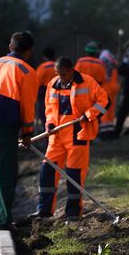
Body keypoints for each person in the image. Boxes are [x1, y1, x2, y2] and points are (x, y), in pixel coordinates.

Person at [29, 57, 109, 220]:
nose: (61, 77)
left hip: (78, 134)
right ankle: (44, 210)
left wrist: (89, 115)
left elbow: (104, 101)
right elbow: (49, 108)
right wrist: (50, 123)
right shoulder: (53, 84)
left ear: (72, 70)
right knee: (47, 171)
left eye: (64, 74)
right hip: (56, 136)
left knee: (75, 174)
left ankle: (72, 212)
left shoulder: (87, 82)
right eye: (58, 73)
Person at [0, 32, 38, 230]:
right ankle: (2, 220)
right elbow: (28, 105)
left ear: (10, 46)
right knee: (5, 170)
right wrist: (27, 131)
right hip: (2, 121)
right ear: (29, 51)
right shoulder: (27, 71)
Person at [99, 49, 120, 138]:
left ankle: (104, 132)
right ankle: (110, 131)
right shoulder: (114, 64)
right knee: (111, 109)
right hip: (114, 87)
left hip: (106, 88)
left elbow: (100, 77)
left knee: (103, 110)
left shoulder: (103, 64)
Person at [36, 47, 57, 128]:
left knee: (45, 115)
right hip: (59, 93)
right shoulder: (58, 65)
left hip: (44, 95)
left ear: (44, 56)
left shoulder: (43, 67)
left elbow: (37, 82)